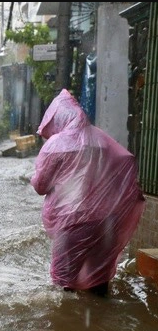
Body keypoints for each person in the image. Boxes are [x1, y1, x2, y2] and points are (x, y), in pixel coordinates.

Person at [30, 89, 145, 296]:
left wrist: (36, 175)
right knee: (98, 277)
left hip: (72, 223)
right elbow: (124, 162)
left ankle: (69, 322)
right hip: (106, 221)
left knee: (65, 281)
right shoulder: (101, 140)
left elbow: (40, 186)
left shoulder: (56, 145)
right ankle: (99, 321)